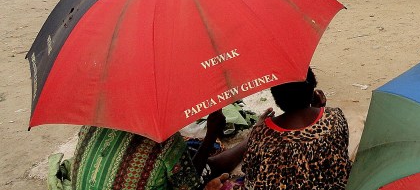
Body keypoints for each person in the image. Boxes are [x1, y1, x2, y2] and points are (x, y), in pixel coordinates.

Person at [207, 68, 351, 189]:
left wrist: (258, 130)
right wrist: (320, 110)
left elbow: (250, 171)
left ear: (276, 97)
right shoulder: (335, 117)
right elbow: (337, 146)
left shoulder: (262, 134)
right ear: (313, 88)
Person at [70, 110, 226, 190]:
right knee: (204, 168)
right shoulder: (165, 142)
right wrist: (211, 135)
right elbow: (189, 185)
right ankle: (247, 144)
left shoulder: (93, 123)